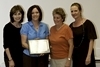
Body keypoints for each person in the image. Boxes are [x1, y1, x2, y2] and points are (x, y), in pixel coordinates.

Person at [69, 2, 97, 67]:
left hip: (86, 56)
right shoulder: (70, 26)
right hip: (76, 56)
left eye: (75, 11)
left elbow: (91, 40)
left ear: (80, 11)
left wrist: (89, 56)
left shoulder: (88, 24)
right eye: (72, 11)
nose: (73, 13)